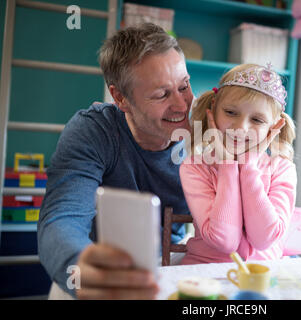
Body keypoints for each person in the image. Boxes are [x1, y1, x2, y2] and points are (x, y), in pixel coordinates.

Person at [37, 22, 193, 299]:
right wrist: (79, 265)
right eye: (161, 95)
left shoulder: (209, 128)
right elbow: (63, 218)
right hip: (98, 263)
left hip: (173, 261)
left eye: (184, 86)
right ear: (120, 98)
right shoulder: (93, 131)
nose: (182, 106)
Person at [179, 63, 297, 264]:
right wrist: (227, 164)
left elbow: (263, 240)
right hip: (204, 271)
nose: (241, 127)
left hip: (262, 274)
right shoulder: (195, 167)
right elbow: (225, 241)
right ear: (213, 110)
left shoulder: (282, 169)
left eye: (257, 120)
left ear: (274, 126)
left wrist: (249, 165)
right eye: (231, 112)